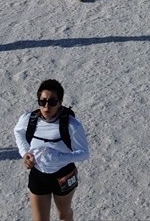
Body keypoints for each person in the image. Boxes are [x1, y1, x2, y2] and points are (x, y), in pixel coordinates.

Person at [13, 79, 90, 221]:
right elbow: (18, 132)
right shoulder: (28, 119)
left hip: (64, 175)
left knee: (63, 214)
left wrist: (60, 157)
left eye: (52, 102)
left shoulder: (72, 125)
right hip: (39, 176)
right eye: (42, 101)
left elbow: (84, 153)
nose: (47, 107)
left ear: (60, 102)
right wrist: (25, 153)